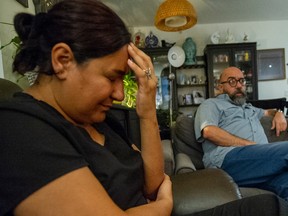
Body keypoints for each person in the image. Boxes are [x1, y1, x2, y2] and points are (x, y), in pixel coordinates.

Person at [0, 1, 285, 215]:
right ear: (62, 60)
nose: (121, 93)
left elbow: (151, 183)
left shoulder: (101, 120)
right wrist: (162, 206)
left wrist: (147, 108)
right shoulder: (19, 129)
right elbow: (156, 192)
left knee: (268, 205)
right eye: (112, 77)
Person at [195, 66, 288, 201]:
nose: (238, 85)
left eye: (241, 81)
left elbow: (268, 112)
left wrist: (278, 113)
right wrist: (250, 145)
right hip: (228, 160)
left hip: (260, 164)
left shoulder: (249, 108)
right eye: (232, 81)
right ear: (220, 87)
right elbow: (209, 131)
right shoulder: (211, 104)